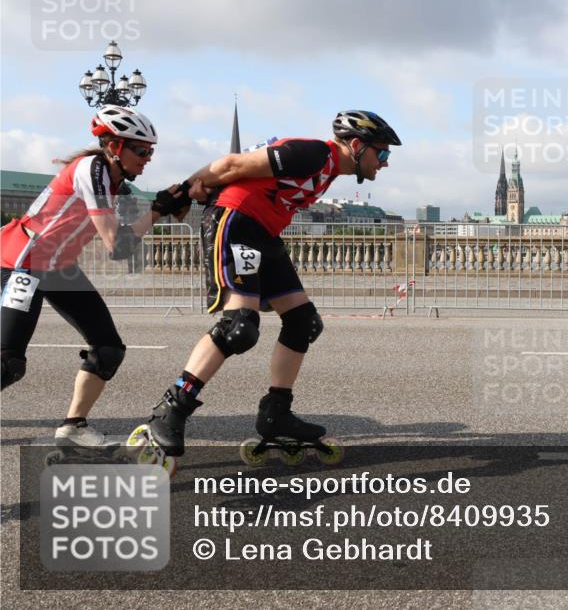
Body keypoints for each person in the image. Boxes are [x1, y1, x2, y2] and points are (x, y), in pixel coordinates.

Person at [133, 110, 401, 457]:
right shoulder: (313, 154)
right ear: (355, 145)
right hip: (236, 223)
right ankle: (171, 408)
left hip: (264, 233)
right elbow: (231, 164)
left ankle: (277, 413)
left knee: (303, 322)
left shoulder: (329, 169)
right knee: (239, 328)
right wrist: (184, 191)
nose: (385, 163)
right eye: (382, 154)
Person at [0, 106, 192, 447]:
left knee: (108, 349)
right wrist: (157, 210)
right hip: (24, 260)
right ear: (115, 147)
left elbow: (129, 231)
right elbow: (118, 245)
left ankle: (73, 428)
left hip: (58, 267)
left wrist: (171, 203)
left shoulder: (114, 182)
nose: (148, 158)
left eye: (151, 151)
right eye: (141, 150)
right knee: (8, 363)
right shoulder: (92, 169)